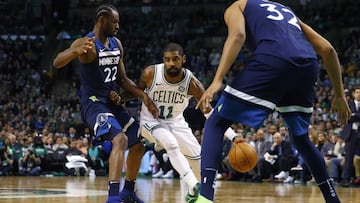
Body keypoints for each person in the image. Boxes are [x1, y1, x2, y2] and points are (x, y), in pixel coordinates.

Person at [195, 0, 351, 203]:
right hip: (307, 64)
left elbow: (238, 35)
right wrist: (339, 96)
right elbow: (328, 49)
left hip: (273, 59)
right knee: (301, 139)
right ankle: (333, 200)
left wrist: (217, 80)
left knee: (216, 121)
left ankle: (205, 198)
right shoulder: (286, 11)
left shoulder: (239, 6)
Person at [53, 4, 158, 203]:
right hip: (93, 103)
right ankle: (112, 197)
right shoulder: (87, 43)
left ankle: (127, 191)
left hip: (112, 104)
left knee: (138, 143)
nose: (118, 26)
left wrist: (143, 96)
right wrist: (75, 51)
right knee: (120, 140)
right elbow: (57, 62)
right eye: (115, 21)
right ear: (102, 20)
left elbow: (123, 79)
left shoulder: (116, 43)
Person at [137, 43, 208, 203]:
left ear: (183, 59)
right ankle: (192, 183)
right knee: (171, 143)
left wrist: (231, 135)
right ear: (163, 60)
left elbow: (208, 110)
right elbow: (137, 90)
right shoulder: (151, 73)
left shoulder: (192, 82)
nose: (171, 63)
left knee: (198, 159)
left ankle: (195, 193)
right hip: (151, 121)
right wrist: (143, 99)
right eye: (167, 60)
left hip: (176, 122)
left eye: (175, 59)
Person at [339, 86, 360, 187]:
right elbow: (346, 117)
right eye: (357, 92)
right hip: (351, 134)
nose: (359, 94)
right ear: (353, 94)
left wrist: (354, 115)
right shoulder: (348, 104)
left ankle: (356, 178)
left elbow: (352, 116)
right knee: (348, 158)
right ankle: (345, 179)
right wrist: (356, 116)